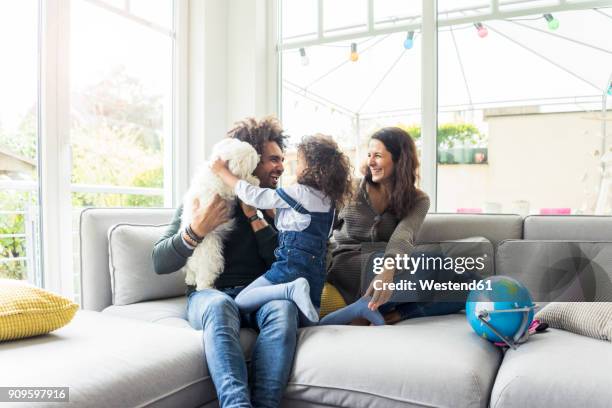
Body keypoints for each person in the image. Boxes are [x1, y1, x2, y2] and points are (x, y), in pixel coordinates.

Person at [152, 117, 297, 408]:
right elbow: (159, 261)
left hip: (260, 294)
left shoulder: (276, 205)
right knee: (220, 305)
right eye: (272, 160)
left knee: (284, 309)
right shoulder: (202, 196)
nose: (280, 167)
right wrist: (196, 230)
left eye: (281, 159)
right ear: (248, 159)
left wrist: (256, 216)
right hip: (210, 295)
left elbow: (284, 264)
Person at [324, 126, 466, 325]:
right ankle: (370, 307)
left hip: (388, 269)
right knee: (432, 260)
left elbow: (404, 234)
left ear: (400, 159)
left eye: (378, 156)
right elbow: (323, 230)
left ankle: (391, 313)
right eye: (369, 155)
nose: (370, 162)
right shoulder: (350, 189)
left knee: (469, 283)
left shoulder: (418, 199)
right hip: (349, 266)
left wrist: (387, 270)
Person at [211, 135, 354, 324]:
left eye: (300, 161)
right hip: (315, 272)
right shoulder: (329, 201)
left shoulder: (299, 192)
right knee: (311, 323)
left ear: (311, 167)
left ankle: (290, 290)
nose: (292, 167)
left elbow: (254, 196)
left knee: (242, 301)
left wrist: (223, 172)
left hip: (290, 268)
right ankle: (359, 308)